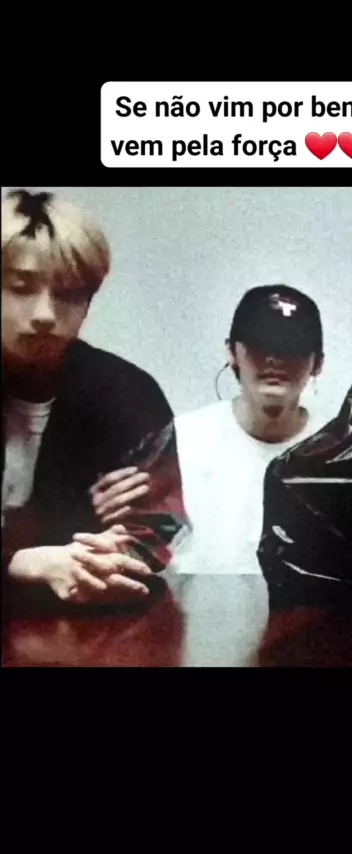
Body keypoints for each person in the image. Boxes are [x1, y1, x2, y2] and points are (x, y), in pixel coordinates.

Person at [2, 188, 190, 611]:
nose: (45, 313)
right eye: (21, 288)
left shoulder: (126, 391)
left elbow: (157, 531)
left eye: (68, 294)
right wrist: (21, 563)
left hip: (80, 627)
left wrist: (113, 557)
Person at [91, 285, 327, 577]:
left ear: (318, 362)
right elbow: (135, 549)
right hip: (193, 605)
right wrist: (98, 525)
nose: (274, 359)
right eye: (261, 344)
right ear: (232, 351)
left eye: (292, 347)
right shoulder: (182, 441)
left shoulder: (341, 452)